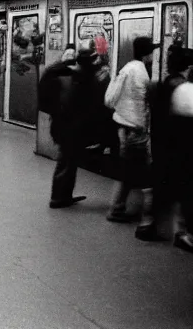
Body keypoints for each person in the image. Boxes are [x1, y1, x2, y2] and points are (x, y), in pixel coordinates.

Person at [40, 40, 110, 209]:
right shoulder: (80, 79)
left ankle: (64, 195)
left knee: (69, 161)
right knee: (67, 161)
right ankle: (58, 198)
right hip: (70, 128)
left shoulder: (63, 73)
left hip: (61, 125)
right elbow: (88, 105)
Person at [104, 36, 159, 240]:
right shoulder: (140, 72)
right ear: (147, 54)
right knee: (145, 175)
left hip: (124, 127)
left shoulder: (127, 68)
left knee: (126, 172)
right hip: (135, 130)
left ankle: (117, 208)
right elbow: (143, 101)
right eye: (152, 52)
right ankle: (146, 220)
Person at [147, 46, 193, 249]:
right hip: (180, 149)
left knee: (164, 188)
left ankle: (150, 224)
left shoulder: (163, 84)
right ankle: (182, 233)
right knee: (184, 191)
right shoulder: (183, 89)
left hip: (163, 144)